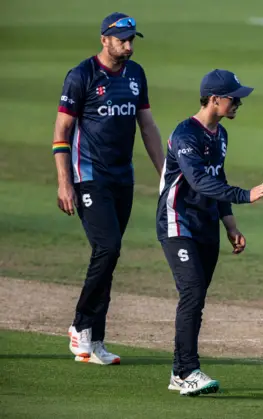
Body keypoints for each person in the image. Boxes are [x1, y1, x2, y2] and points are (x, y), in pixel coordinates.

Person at [53, 12, 165, 365]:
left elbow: (146, 125)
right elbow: (62, 132)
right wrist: (64, 182)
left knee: (111, 256)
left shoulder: (135, 74)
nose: (129, 46)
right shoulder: (81, 75)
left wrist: (165, 173)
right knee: (108, 245)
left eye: (132, 39)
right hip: (88, 175)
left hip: (122, 176)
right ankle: (80, 325)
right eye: (122, 40)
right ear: (104, 39)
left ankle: (95, 339)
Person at [157, 69, 263, 396]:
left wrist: (231, 224)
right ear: (214, 99)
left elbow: (217, 181)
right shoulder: (185, 134)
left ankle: (179, 371)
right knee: (192, 291)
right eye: (233, 98)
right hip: (177, 222)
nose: (238, 103)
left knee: (196, 299)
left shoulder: (220, 135)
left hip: (207, 224)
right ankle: (186, 371)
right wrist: (245, 195)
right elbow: (198, 182)